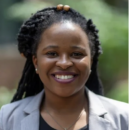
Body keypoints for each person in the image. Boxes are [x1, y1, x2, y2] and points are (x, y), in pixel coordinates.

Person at [0, 4, 128, 130]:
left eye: (77, 54)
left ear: (91, 61)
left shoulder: (124, 118)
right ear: (36, 62)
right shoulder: (7, 118)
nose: (64, 63)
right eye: (52, 53)